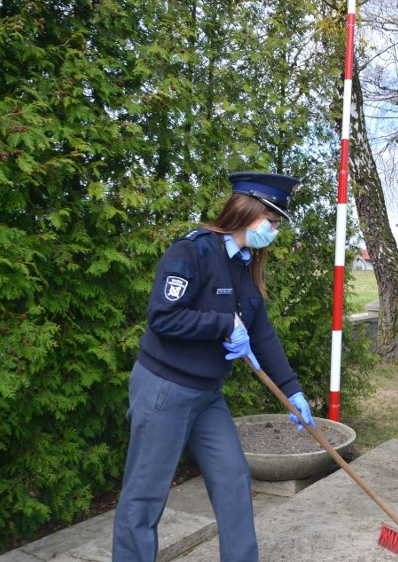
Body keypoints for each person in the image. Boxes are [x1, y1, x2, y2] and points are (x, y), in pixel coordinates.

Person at [112, 172, 315, 562]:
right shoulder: (193, 252)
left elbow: (263, 336)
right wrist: (222, 324)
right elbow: (163, 318)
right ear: (250, 211)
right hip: (164, 389)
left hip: (207, 396)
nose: (274, 231)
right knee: (145, 495)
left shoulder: (245, 267)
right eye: (272, 222)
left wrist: (292, 390)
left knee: (233, 479)